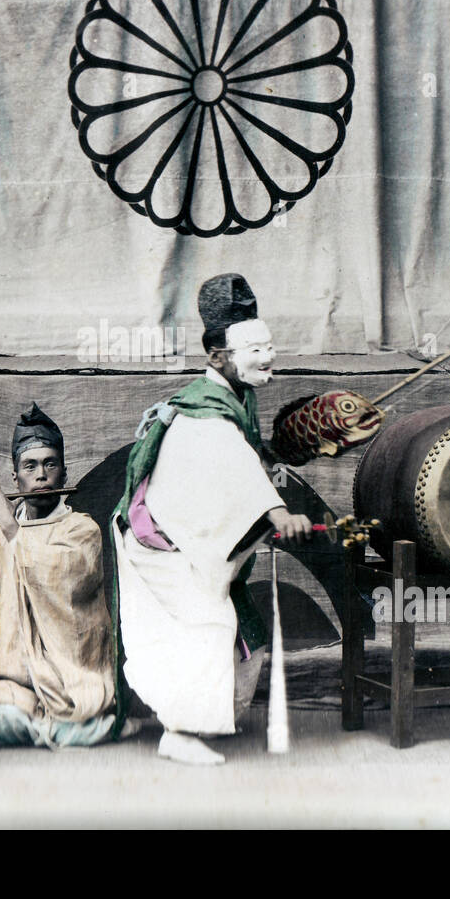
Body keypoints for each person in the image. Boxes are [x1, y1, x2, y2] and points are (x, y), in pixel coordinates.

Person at [111, 273, 318, 765]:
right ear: (217, 357)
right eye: (253, 350)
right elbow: (235, 464)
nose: (266, 358)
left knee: (240, 627)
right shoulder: (205, 412)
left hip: (184, 538)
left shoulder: (236, 398)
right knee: (210, 623)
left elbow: (242, 464)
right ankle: (179, 734)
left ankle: (205, 717)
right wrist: (278, 512)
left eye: (268, 346)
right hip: (158, 541)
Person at [0, 404, 118, 747]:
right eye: (30, 466)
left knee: (78, 722)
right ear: (16, 478)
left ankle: (64, 725)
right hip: (14, 677)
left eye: (50, 464)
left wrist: (13, 530)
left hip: (68, 675)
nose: (41, 475)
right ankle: (43, 728)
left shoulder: (81, 529)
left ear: (64, 473)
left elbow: (65, 581)